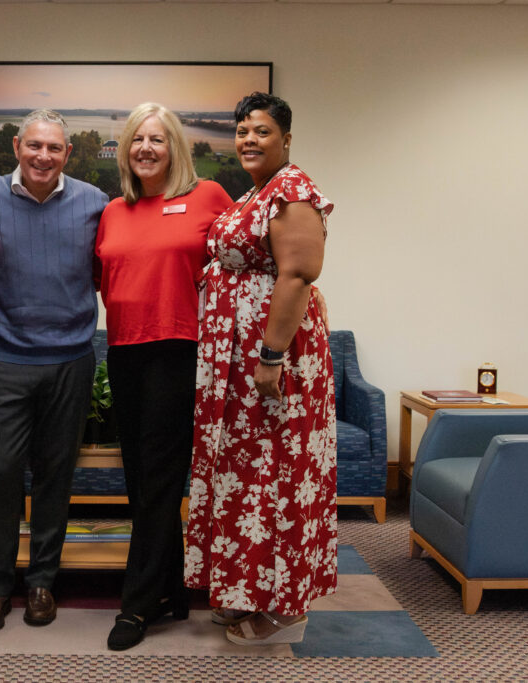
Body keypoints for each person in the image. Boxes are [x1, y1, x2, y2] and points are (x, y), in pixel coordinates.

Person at [184, 92, 337, 646]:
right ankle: (249, 587)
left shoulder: (292, 191)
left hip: (272, 361)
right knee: (245, 479)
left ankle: (284, 606)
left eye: (263, 131)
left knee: (277, 478)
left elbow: (298, 274)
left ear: (287, 139)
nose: (250, 139)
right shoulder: (256, 193)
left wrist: (271, 357)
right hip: (238, 361)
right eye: (243, 130)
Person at [0, 109, 108, 633]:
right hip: (4, 360)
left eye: (55, 148)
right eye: (35, 146)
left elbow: (107, 269)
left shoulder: (95, 203)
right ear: (18, 146)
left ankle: (43, 580)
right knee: (1, 476)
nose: (43, 156)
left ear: (68, 154)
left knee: (54, 476)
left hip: (71, 360)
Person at [94, 103, 232, 651]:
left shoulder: (209, 197)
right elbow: (106, 281)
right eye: (136, 140)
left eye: (157, 138)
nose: (146, 148)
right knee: (142, 481)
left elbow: (244, 264)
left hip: (179, 350)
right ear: (126, 151)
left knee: (157, 478)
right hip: (124, 352)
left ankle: (137, 604)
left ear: (176, 146)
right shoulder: (113, 211)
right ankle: (171, 588)